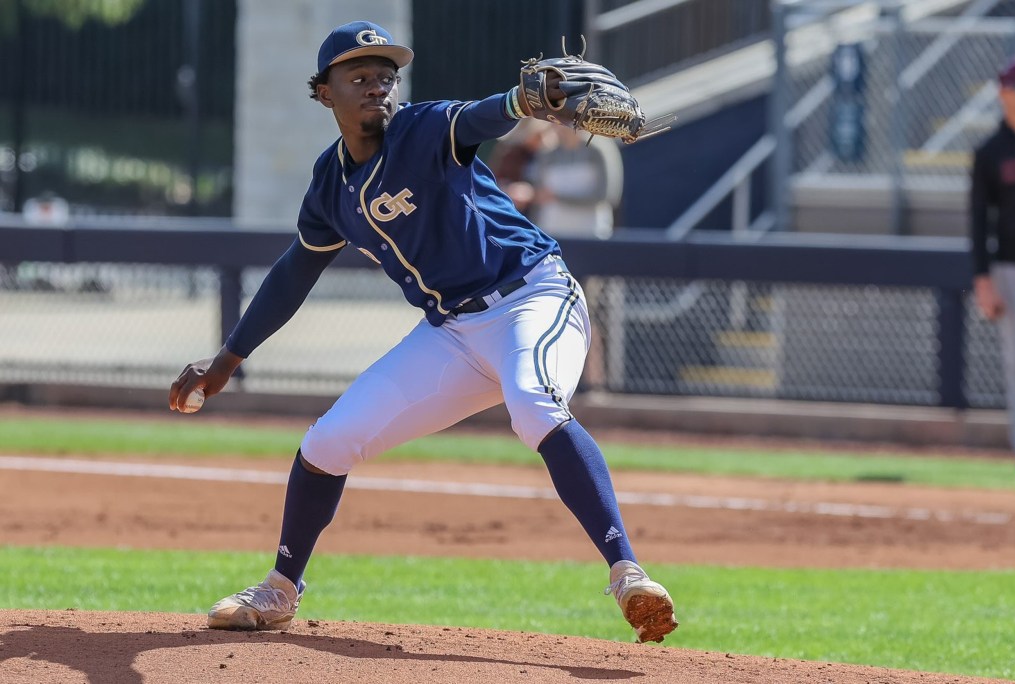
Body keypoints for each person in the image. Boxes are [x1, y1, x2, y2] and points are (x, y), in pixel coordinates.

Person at [168, 20, 678, 643]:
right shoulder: (331, 184)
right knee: (328, 442)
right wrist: (227, 358)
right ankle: (279, 588)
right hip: (453, 331)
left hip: (533, 298)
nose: (376, 87)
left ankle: (628, 574)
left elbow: (483, 117)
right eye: (358, 77)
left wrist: (523, 101)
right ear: (324, 93)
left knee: (534, 404)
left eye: (386, 76)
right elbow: (295, 270)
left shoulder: (422, 128)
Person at [971, 54, 1015, 479]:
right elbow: (977, 220)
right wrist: (983, 279)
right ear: (1002, 93)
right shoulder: (991, 151)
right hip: (1011, 269)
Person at [531, 125, 623, 240]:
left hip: (590, 231)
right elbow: (540, 196)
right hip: (552, 231)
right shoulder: (546, 155)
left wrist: (558, 197)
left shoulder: (599, 151)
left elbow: (605, 196)